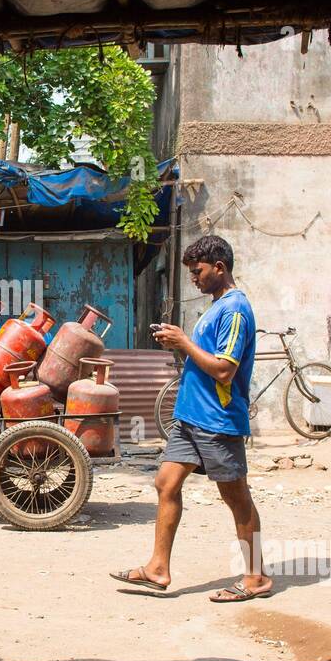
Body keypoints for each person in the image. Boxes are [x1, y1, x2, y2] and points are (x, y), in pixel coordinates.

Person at [111, 235, 272, 602]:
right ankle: (157, 568)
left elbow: (225, 370)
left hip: (217, 421)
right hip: (189, 417)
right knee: (166, 484)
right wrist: (179, 347)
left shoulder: (234, 310)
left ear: (220, 267)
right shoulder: (215, 307)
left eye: (197, 271)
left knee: (237, 499)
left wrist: (184, 342)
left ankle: (257, 576)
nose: (194, 279)